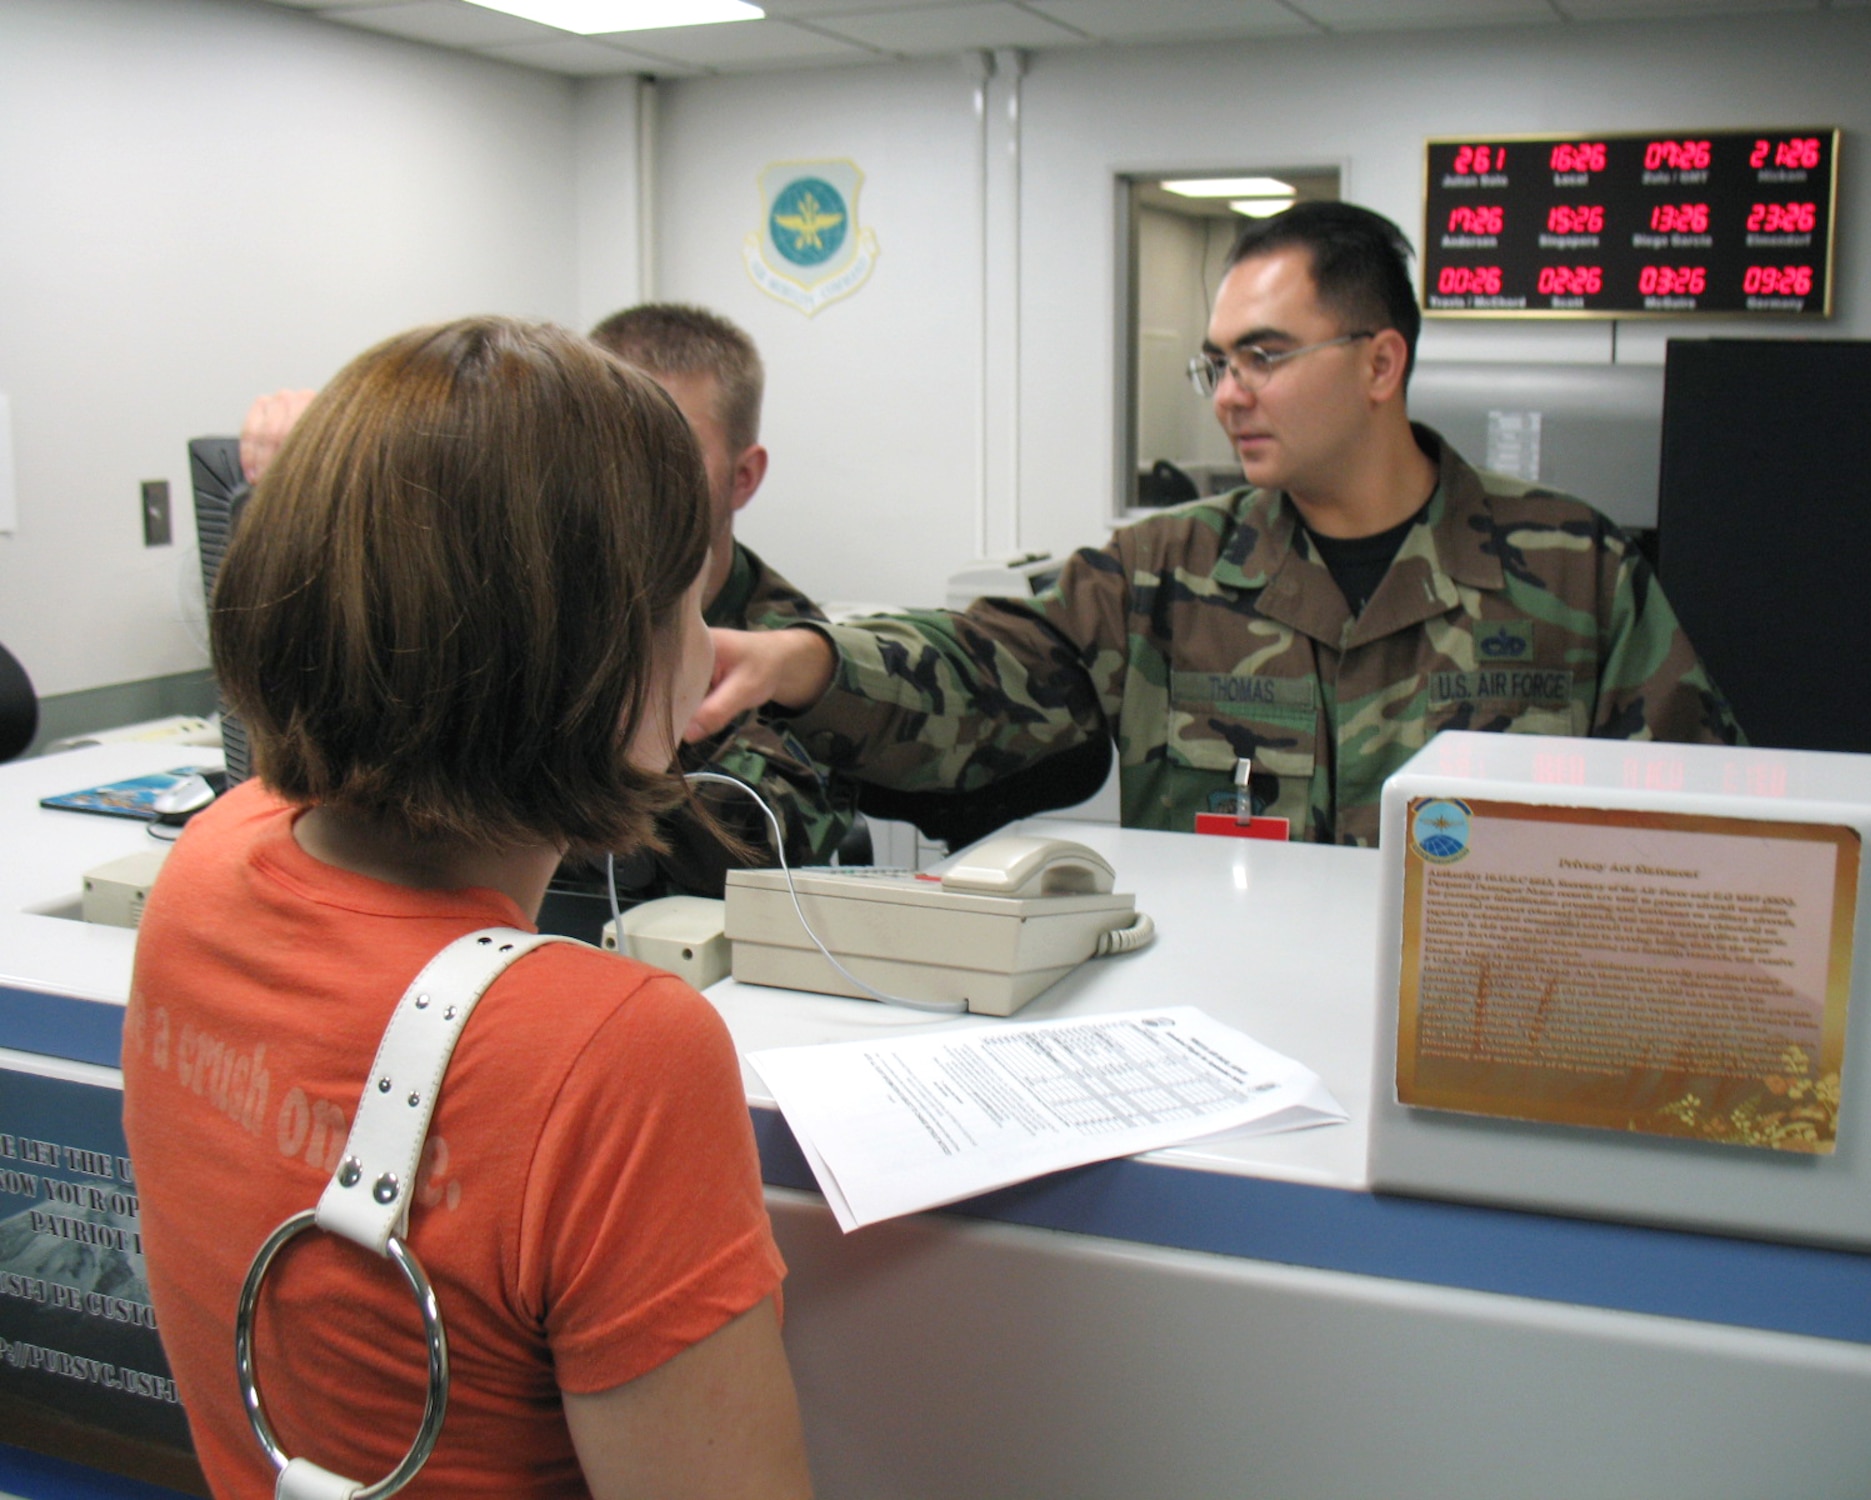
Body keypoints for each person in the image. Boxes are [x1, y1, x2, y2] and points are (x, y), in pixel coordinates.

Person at [125, 317, 812, 1497]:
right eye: (686, 604)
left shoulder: (209, 856)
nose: (706, 648)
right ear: (593, 656)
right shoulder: (616, 1056)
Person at [688, 201, 1743, 846]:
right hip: (1230, 1037)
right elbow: (980, 668)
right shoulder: (1163, 571)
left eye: (1265, 355)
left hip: (1483, 1036)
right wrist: (807, 662)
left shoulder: (1574, 574)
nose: (1227, 393)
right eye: (1217, 362)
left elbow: (1704, 823)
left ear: (1381, 362)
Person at [239, 303, 857, 896]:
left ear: (741, 476)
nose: (622, 480)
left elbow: (761, 839)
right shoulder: (508, 597)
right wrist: (353, 483)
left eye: (671, 453)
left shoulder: (786, 651)